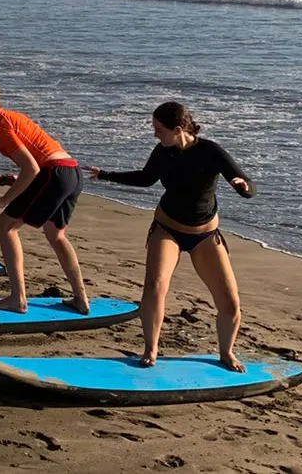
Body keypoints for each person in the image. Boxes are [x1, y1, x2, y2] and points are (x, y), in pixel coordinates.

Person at [87, 102, 255, 371]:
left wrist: (242, 187)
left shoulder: (210, 151)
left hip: (205, 234)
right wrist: (106, 175)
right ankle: (151, 349)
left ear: (178, 130)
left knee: (230, 301)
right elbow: (146, 178)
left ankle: (226, 353)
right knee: (155, 287)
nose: (155, 134)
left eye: (159, 130)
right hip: (167, 229)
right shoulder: (162, 151)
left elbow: (246, 183)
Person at [0, 72, 89, 315]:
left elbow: (31, 168)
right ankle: (80, 299)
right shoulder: (11, 117)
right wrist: (16, 181)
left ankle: (17, 298)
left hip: (55, 174)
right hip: (72, 173)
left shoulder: (0, 125)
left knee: (5, 226)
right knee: (55, 234)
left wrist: (4, 199)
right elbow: (36, 163)